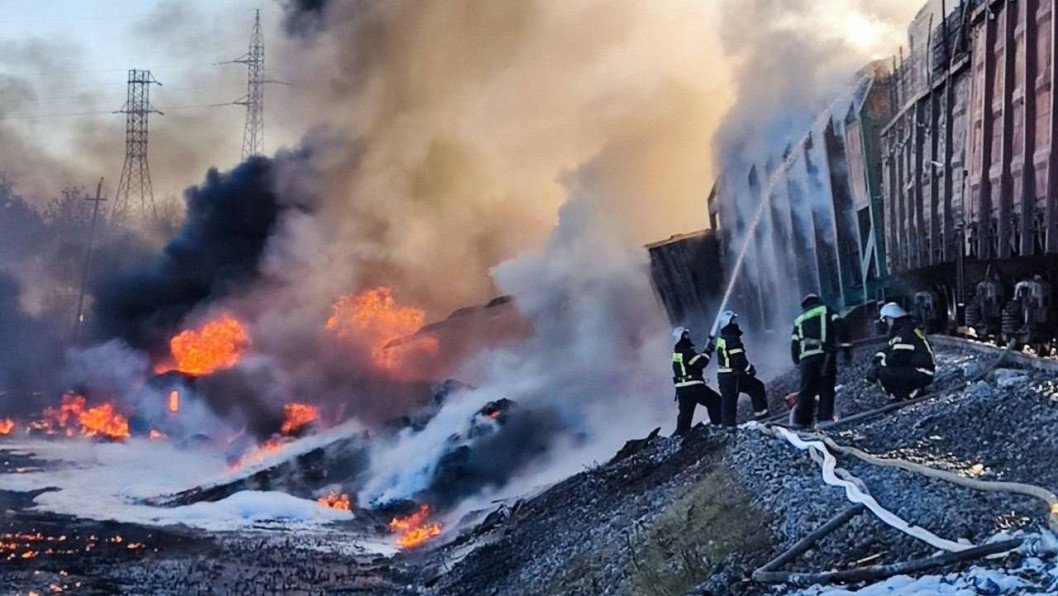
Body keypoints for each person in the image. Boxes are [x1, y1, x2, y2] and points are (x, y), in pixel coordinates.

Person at [790, 294, 852, 428]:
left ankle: (801, 422)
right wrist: (846, 349)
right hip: (824, 356)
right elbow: (840, 327)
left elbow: (794, 343)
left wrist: (796, 360)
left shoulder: (799, 319)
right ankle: (824, 420)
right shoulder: (826, 310)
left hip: (806, 359)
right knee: (826, 387)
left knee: (807, 389)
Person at [867, 302, 936, 402]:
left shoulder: (905, 332)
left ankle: (910, 393)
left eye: (886, 320)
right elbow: (887, 348)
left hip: (923, 371)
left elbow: (899, 357)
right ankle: (898, 394)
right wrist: (876, 361)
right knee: (885, 369)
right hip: (919, 369)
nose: (886, 323)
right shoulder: (902, 330)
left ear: (891, 318)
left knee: (885, 371)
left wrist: (878, 367)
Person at [714, 311, 769, 427]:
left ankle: (728, 427)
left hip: (724, 377)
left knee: (728, 403)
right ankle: (762, 417)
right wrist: (750, 369)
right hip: (734, 376)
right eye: (733, 321)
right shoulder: (732, 338)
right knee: (757, 387)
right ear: (727, 323)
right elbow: (739, 359)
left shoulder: (721, 339)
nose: (736, 323)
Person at [671, 327, 722, 435]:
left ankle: (677, 438)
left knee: (685, 417)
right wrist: (708, 351)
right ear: (680, 338)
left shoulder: (678, 353)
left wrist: (705, 352)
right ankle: (718, 427)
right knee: (715, 402)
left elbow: (693, 363)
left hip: (682, 390)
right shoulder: (686, 352)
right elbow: (701, 363)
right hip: (693, 387)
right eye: (685, 335)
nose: (687, 337)